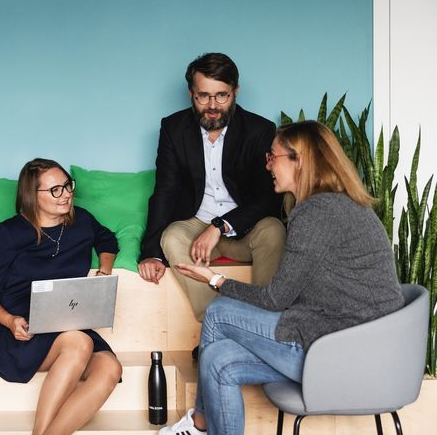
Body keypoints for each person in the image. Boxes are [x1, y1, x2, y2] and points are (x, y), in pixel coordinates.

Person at [158, 121, 405, 435]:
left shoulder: (317, 213)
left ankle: (200, 424)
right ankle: (202, 424)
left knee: (218, 313)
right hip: (345, 341)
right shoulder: (337, 204)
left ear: (298, 160)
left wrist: (215, 279)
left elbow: (276, 299)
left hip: (338, 351)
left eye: (272, 157)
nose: (268, 166)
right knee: (217, 360)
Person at [138, 52, 286, 327]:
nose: (213, 106)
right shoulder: (173, 128)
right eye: (203, 96)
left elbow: (267, 198)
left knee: (274, 229)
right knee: (172, 236)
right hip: (196, 226)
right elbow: (165, 190)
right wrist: (151, 253)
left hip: (245, 228)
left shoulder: (260, 129)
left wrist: (220, 226)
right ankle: (216, 325)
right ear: (191, 93)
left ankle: (263, 324)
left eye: (222, 96)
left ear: (235, 92)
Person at [0, 159, 123, 435]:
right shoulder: (9, 233)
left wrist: (104, 271)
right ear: (33, 196)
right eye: (56, 190)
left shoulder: (82, 220)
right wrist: (10, 321)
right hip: (23, 331)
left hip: (68, 321)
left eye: (68, 186)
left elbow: (107, 240)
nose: (66, 194)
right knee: (79, 342)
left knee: (110, 367)